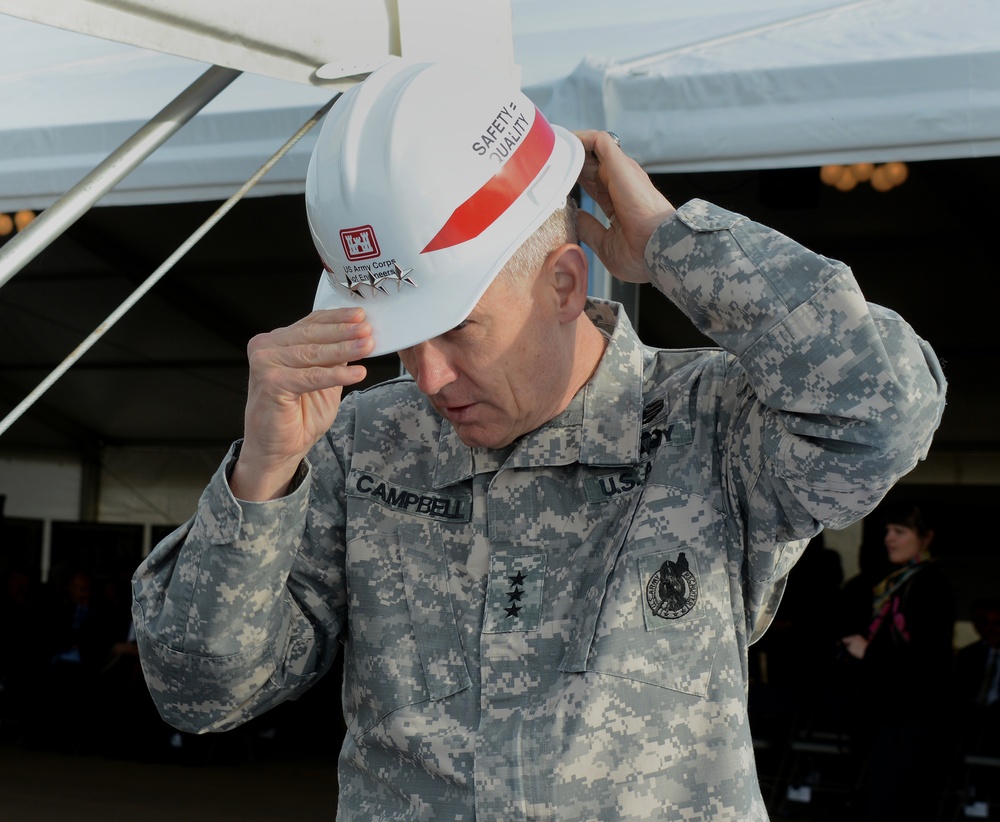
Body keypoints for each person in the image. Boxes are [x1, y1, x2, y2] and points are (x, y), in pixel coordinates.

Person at [132, 60, 946, 821]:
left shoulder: (714, 425)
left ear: (564, 281)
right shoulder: (366, 441)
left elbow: (885, 410)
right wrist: (262, 476)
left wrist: (675, 247)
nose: (428, 376)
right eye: (399, 338)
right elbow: (201, 694)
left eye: (456, 330)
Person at [840, 501, 956, 821]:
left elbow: (929, 660)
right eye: (888, 531)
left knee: (895, 804)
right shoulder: (899, 581)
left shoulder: (929, 585)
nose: (889, 538)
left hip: (913, 718)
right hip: (890, 715)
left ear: (926, 538)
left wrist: (869, 652)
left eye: (900, 531)